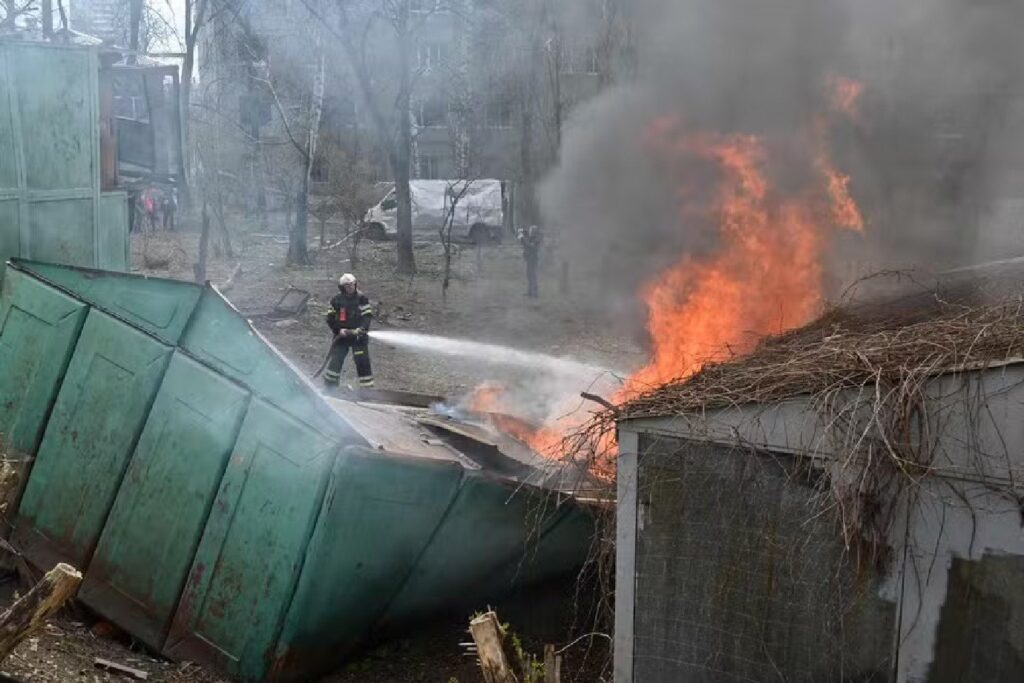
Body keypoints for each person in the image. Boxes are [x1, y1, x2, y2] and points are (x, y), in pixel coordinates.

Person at [324, 273, 375, 389]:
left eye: (352, 285)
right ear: (342, 287)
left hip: (358, 338)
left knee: (362, 362)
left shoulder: (362, 299)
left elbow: (367, 315)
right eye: (347, 286)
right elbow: (330, 318)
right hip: (341, 337)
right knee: (336, 360)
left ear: (355, 284)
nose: (350, 287)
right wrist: (338, 330)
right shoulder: (336, 300)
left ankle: (367, 390)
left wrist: (362, 328)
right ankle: (329, 387)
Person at [520, 224, 542, 298]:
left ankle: (535, 293)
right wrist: (523, 236)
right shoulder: (531, 238)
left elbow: (531, 247)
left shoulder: (537, 239)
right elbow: (527, 245)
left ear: (534, 232)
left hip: (533, 259)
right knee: (529, 275)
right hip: (529, 258)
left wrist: (523, 240)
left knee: (533, 276)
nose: (530, 231)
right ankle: (530, 292)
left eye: (532, 230)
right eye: (530, 230)